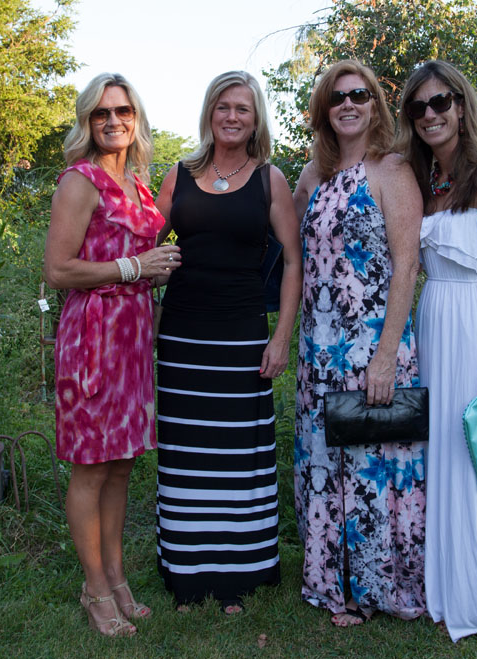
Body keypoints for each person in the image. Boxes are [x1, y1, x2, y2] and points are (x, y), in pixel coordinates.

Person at [153, 71, 301, 613]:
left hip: (242, 339)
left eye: (242, 107)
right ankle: (188, 573)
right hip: (184, 336)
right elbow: (148, 246)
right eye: (223, 107)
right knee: (187, 454)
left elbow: (293, 262)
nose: (232, 116)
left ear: (256, 117)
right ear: (209, 114)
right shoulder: (178, 175)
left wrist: (281, 337)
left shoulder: (270, 180)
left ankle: (240, 571)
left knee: (238, 455)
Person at [44, 73, 180, 637]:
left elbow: (143, 258)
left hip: (132, 340)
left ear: (136, 118)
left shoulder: (141, 187)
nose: (113, 121)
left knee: (121, 465)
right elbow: (57, 270)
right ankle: (94, 587)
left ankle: (118, 579)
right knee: (90, 466)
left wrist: (159, 267)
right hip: (92, 339)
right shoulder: (80, 181)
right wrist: (134, 268)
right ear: (87, 121)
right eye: (101, 113)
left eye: (122, 111)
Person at [292, 60, 425, 627]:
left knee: (372, 462)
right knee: (326, 462)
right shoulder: (310, 176)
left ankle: (377, 586)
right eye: (337, 97)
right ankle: (333, 585)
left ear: (375, 105)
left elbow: (406, 265)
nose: (349, 104)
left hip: (371, 344)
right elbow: (292, 256)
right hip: (316, 349)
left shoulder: (391, 170)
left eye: (360, 95)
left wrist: (387, 352)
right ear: (325, 109)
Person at [396, 60, 477, 642]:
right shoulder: (426, 182)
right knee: (441, 454)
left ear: (461, 105)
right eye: (418, 108)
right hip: (434, 324)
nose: (430, 115)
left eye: (440, 103)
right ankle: (441, 585)